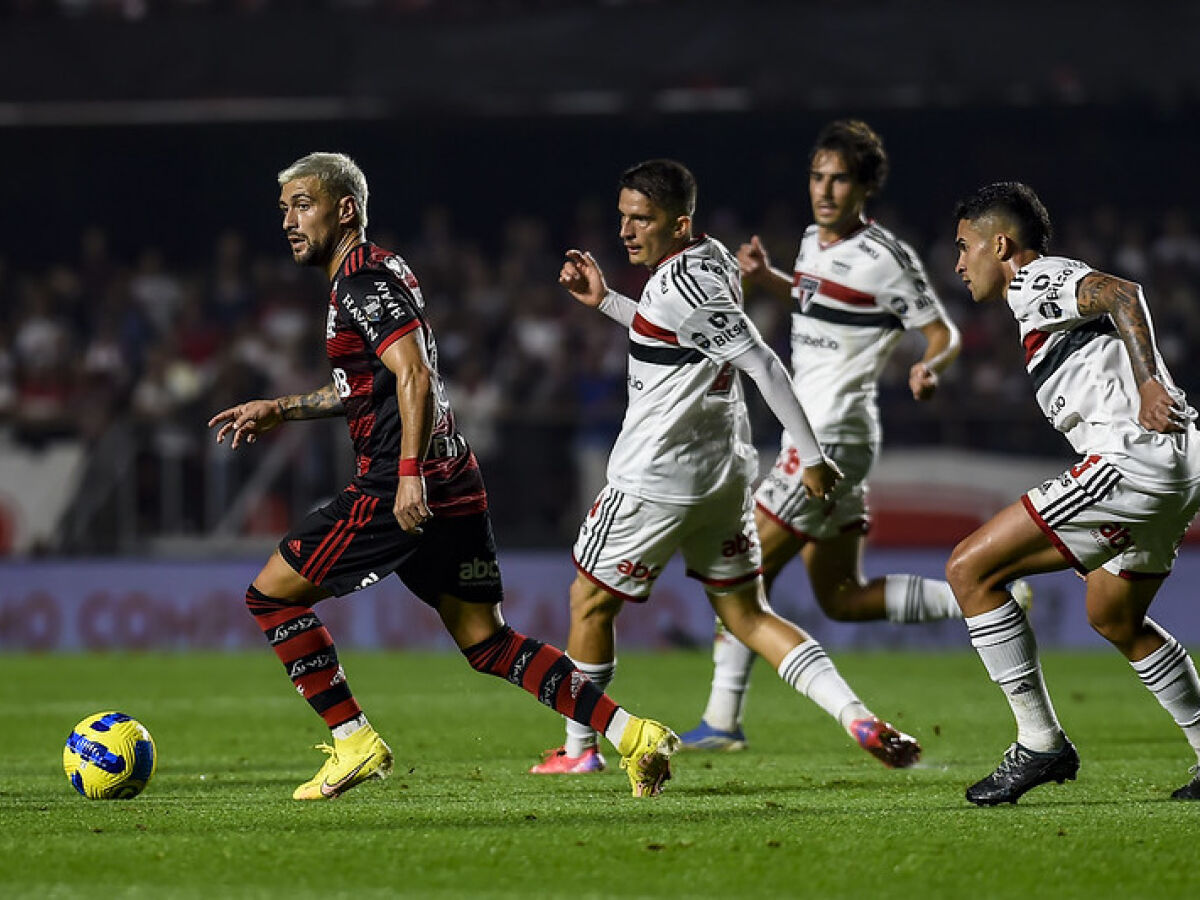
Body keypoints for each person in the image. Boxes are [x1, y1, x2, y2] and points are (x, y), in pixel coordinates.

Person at [207, 152, 676, 800]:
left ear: (345, 209)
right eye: (283, 207)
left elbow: (415, 375)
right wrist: (282, 409)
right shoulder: (379, 271)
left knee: (272, 595)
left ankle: (353, 740)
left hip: (399, 484)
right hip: (451, 474)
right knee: (487, 642)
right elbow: (368, 383)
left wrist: (405, 479)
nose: (288, 219)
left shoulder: (360, 285)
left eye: (302, 204)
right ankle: (634, 735)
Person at [529, 158, 920, 778]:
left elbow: (763, 363)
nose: (627, 231)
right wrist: (607, 301)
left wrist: (812, 458)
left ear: (679, 222)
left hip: (655, 477)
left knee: (587, 602)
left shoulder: (682, 284)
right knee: (746, 614)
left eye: (643, 220)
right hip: (723, 479)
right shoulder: (707, 259)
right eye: (623, 217)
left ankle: (580, 752)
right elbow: (674, 331)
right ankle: (857, 717)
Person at [680, 119, 982, 751]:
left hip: (829, 437)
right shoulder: (812, 243)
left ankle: (724, 721)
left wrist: (932, 366)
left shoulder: (887, 257)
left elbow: (941, 331)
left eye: (839, 178)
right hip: (825, 433)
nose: (824, 189)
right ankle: (983, 597)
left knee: (736, 575)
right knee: (842, 596)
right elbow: (825, 305)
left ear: (865, 185)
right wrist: (772, 283)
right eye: (817, 177)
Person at [948, 181, 1200, 805]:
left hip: (1132, 461)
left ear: (999, 244)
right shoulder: (1035, 306)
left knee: (969, 570)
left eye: (963, 246)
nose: (957, 262)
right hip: (1177, 465)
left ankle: (1039, 743)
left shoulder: (1037, 280)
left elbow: (1122, 291)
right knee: (1112, 615)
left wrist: (1146, 383)